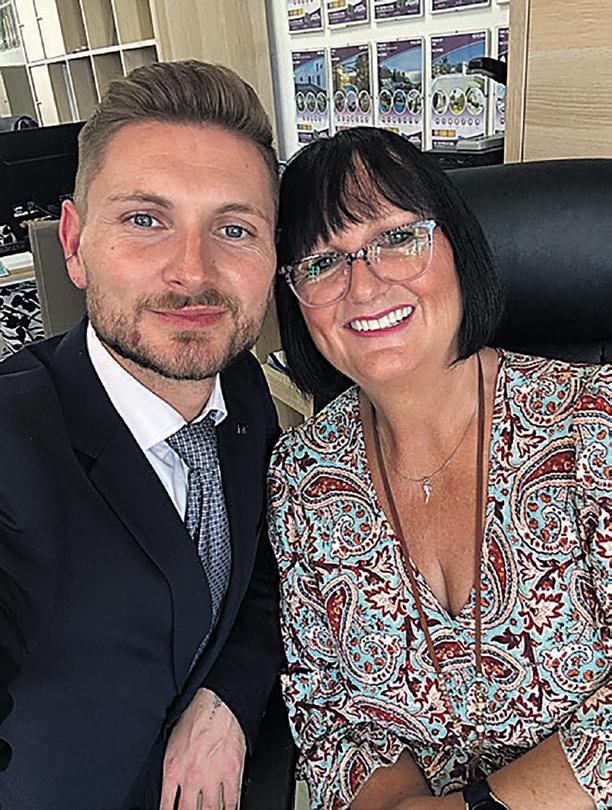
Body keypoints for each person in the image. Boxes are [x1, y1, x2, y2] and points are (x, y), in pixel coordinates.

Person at [267, 127, 610, 810]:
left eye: (397, 237)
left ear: (458, 245)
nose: (364, 286)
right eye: (322, 262)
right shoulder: (301, 476)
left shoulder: (595, 424)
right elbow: (328, 713)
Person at [0, 60, 283, 810]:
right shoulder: (12, 443)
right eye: (144, 220)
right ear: (74, 243)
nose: (192, 273)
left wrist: (228, 694)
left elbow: (262, 571)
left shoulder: (242, 388)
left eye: (233, 229)